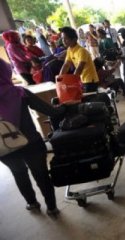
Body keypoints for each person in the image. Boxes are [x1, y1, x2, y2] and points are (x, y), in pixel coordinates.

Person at [0, 58, 64, 217]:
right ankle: (52, 208)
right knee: (41, 175)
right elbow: (51, 111)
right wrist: (65, 106)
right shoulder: (19, 93)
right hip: (31, 143)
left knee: (19, 173)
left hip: (4, 147)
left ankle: (32, 203)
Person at [59, 26, 99, 93]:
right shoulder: (69, 50)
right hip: (82, 80)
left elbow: (80, 68)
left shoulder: (81, 51)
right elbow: (66, 65)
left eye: (66, 39)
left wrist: (72, 81)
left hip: (90, 81)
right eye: (62, 39)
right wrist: (59, 79)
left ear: (74, 39)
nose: (63, 41)